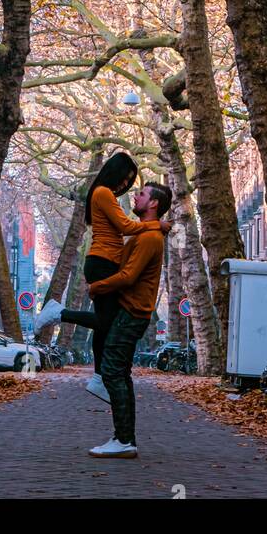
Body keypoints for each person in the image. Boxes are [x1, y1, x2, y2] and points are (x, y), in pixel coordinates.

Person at [34, 152, 169, 402]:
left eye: (129, 183)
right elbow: (126, 227)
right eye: (125, 179)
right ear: (114, 171)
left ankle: (97, 378)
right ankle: (59, 314)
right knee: (107, 322)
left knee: (105, 321)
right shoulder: (103, 193)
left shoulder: (106, 195)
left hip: (106, 262)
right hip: (102, 262)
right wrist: (156, 225)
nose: (125, 186)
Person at [88, 180, 172, 458]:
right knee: (121, 373)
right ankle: (125, 439)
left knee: (112, 371)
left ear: (154, 204)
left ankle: (124, 440)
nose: (135, 197)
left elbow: (128, 276)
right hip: (131, 310)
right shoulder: (144, 234)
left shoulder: (149, 238)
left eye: (142, 194)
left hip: (133, 312)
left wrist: (96, 287)